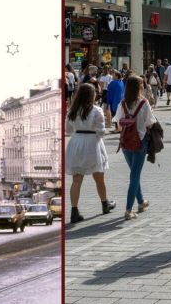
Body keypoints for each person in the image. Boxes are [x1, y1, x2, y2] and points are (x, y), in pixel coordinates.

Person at [65, 84, 116, 223]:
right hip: (92, 142)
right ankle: (105, 204)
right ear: (91, 95)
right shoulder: (96, 110)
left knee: (76, 180)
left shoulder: (72, 111)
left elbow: (68, 130)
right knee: (99, 177)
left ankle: (74, 211)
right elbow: (101, 131)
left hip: (76, 142)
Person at [112, 76, 157, 220]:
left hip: (125, 142)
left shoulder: (122, 103)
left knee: (133, 173)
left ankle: (141, 201)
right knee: (135, 175)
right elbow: (150, 123)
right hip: (140, 142)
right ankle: (128, 210)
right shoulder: (144, 103)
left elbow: (118, 124)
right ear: (139, 87)